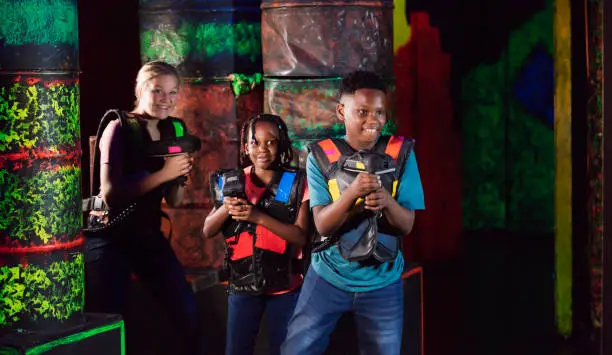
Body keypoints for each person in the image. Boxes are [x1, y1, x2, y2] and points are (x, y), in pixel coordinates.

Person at [281, 70, 425, 355]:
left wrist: (386, 201)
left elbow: (407, 224)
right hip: (328, 277)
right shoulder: (321, 156)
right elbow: (322, 224)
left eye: (380, 112)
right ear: (341, 111)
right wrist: (353, 195)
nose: (373, 120)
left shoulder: (402, 153)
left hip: (382, 281)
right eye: (362, 111)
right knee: (296, 350)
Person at [84, 61, 198, 354]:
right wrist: (164, 173)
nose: (166, 99)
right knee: (110, 321)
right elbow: (111, 194)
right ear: (140, 90)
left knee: (187, 313)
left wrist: (180, 177)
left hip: (147, 235)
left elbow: (173, 201)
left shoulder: (174, 127)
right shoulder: (119, 127)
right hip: (110, 236)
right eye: (157, 90)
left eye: (173, 93)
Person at [203, 113, 310, 355]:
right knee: (237, 350)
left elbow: (300, 236)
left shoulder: (293, 183)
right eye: (255, 142)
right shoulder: (231, 181)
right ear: (245, 146)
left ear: (281, 143)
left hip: (284, 285)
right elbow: (209, 230)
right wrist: (227, 209)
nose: (263, 149)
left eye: (270, 141)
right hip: (242, 284)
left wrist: (258, 217)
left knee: (284, 349)